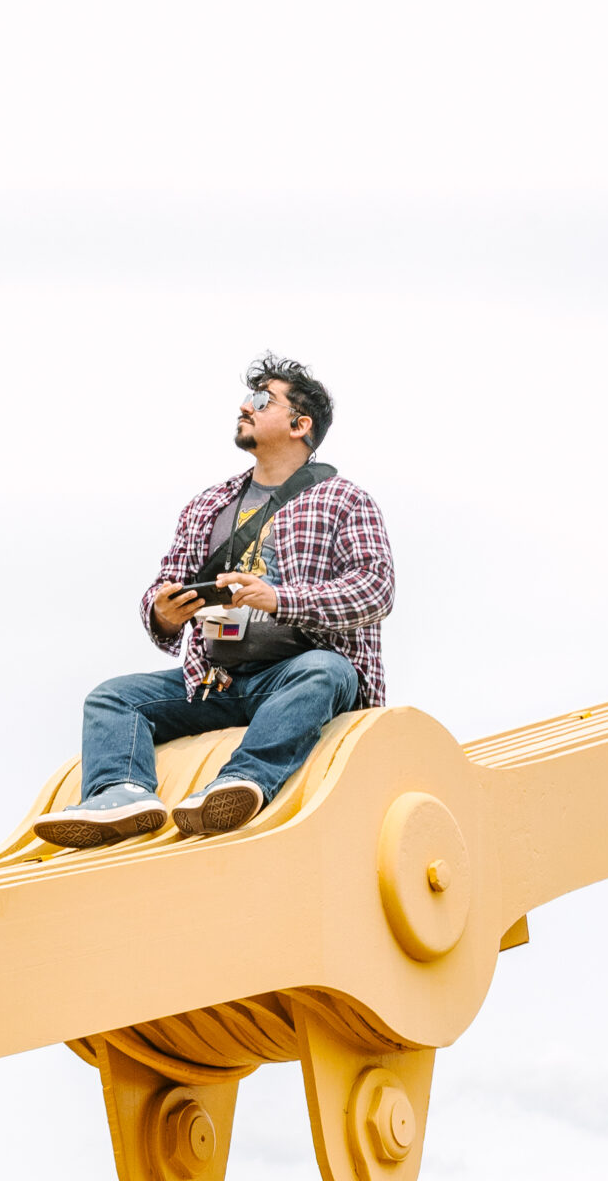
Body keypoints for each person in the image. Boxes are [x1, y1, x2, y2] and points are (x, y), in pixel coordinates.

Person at [34, 356, 394, 850]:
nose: (246, 407)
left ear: (299, 425)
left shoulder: (345, 500)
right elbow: (164, 585)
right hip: (215, 681)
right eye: (248, 398)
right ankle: (121, 793)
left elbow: (375, 588)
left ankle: (239, 782)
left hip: (296, 678)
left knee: (326, 670)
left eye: (263, 400)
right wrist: (163, 612)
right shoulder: (209, 504)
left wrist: (279, 598)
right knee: (113, 697)